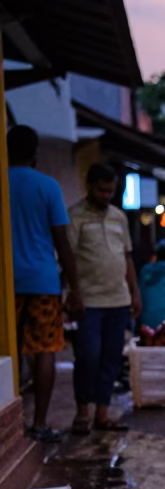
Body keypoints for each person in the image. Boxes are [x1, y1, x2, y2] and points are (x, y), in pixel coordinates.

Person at [7, 125, 81, 442]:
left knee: (4, 352)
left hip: (5, 283)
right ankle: (38, 422)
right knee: (45, 351)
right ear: (36, 155)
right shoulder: (48, 187)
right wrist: (75, 287)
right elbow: (62, 241)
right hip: (42, 281)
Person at [67, 163, 141, 434]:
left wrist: (134, 291)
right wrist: (72, 294)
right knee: (88, 356)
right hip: (88, 300)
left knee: (111, 357)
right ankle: (82, 412)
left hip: (119, 299)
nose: (106, 196)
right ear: (89, 186)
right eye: (101, 190)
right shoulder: (75, 216)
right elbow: (69, 258)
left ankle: (102, 414)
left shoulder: (119, 217)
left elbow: (127, 256)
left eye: (110, 191)